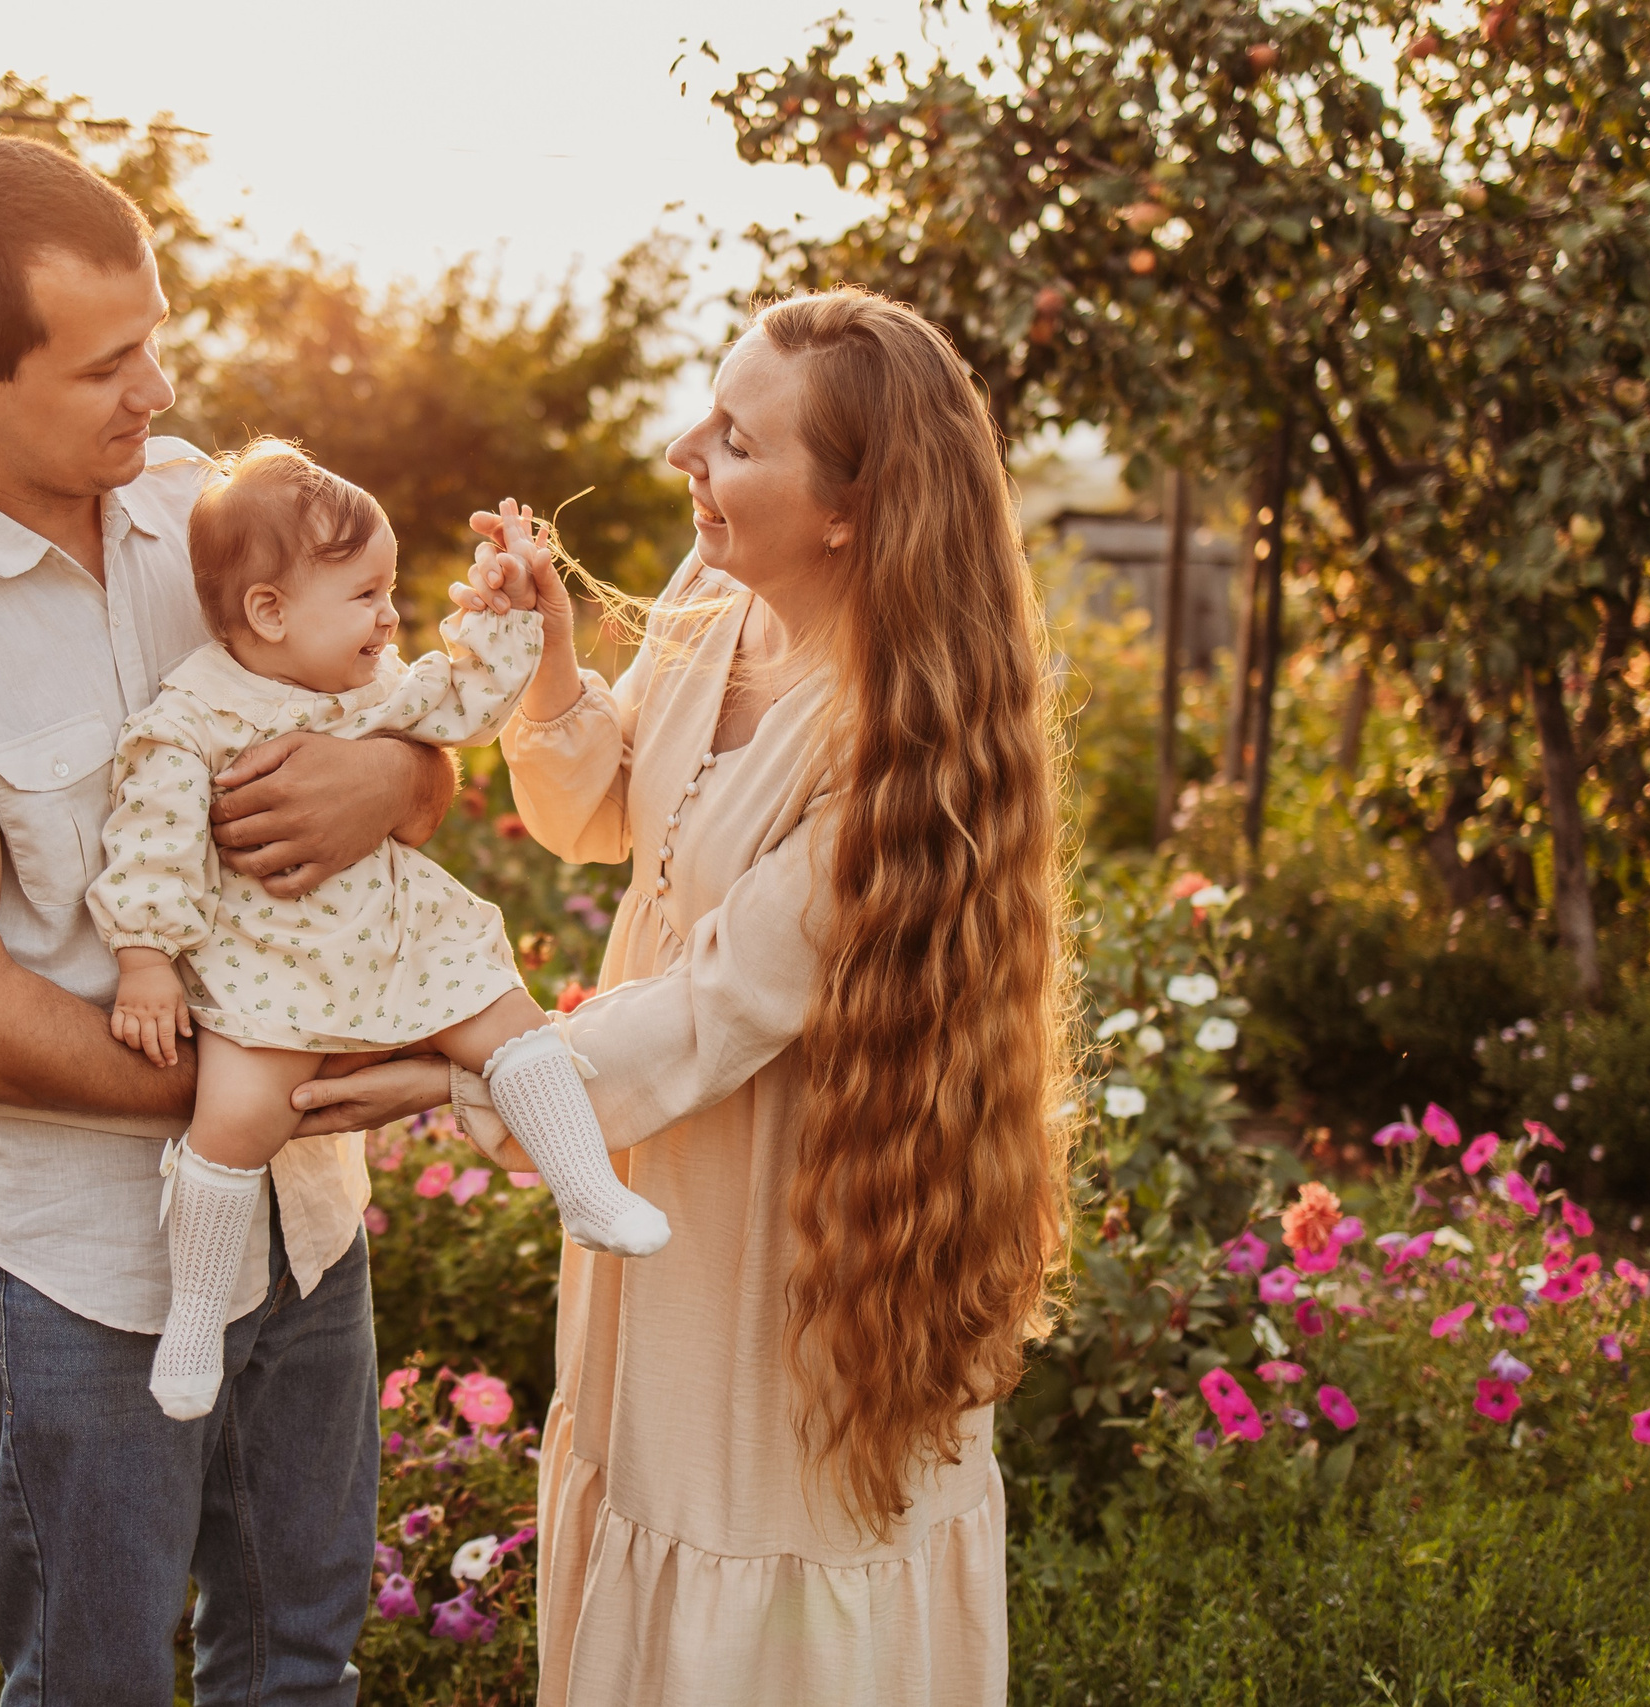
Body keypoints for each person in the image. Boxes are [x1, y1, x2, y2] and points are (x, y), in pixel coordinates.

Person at [304, 286, 1073, 1705]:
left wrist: (455, 1067)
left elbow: (720, 1006)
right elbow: (597, 810)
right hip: (648, 1161)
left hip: (805, 1209)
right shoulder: (715, 603)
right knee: (648, 1506)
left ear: (851, 505)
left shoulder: (900, 732)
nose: (681, 455)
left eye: (731, 438)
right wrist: (546, 648)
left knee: (758, 1539)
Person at [0, 137, 452, 1705]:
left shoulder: (203, 507)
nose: (156, 391)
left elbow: (414, 750)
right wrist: (267, 1089)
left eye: (156, 338)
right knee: (95, 1683)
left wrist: (390, 770)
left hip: (308, 1219)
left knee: (298, 1660)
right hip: (84, 1261)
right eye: (106, 365)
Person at [90, 439, 668, 1419]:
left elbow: (464, 703)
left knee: (510, 1023)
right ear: (268, 611)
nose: (389, 614)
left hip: (396, 931)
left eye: (388, 589)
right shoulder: (195, 713)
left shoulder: (373, 685)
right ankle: (193, 1320)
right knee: (232, 1118)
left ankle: (585, 1189)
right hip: (269, 959)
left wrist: (502, 613)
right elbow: (150, 836)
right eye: (364, 595)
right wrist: (145, 958)